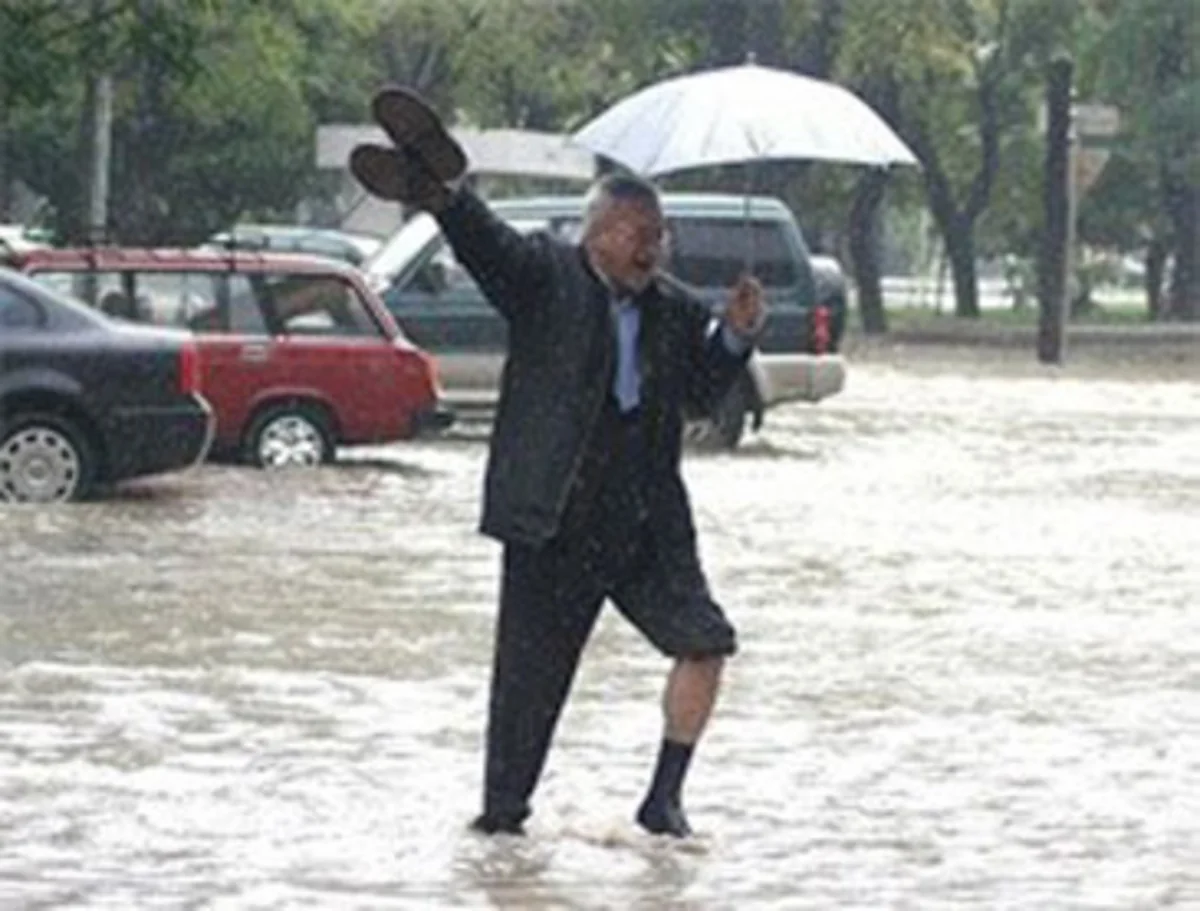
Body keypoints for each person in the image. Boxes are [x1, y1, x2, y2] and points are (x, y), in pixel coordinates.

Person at [351, 87, 767, 838]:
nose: (654, 248)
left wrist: (735, 336)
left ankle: (663, 798)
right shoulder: (544, 278)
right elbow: (487, 246)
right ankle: (502, 828)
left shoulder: (673, 307)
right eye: (641, 232)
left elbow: (702, 396)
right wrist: (452, 202)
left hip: (647, 521)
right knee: (526, 689)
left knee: (706, 642)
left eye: (661, 236)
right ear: (599, 233)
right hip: (554, 516)